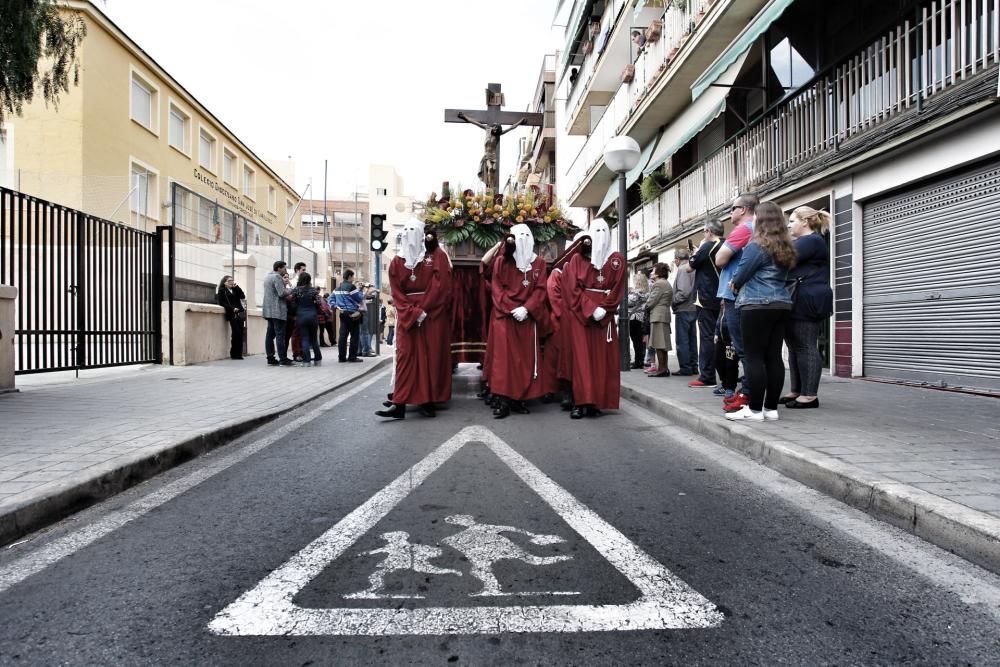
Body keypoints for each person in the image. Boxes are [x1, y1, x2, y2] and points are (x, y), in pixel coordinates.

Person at [725, 201, 796, 422]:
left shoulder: (756, 246)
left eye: (756, 216)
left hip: (756, 305)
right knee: (774, 357)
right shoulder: (786, 247)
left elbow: (741, 273)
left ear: (760, 219)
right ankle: (771, 409)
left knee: (754, 357)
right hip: (782, 304)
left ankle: (754, 409)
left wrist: (734, 283)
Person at [376, 219, 453, 420]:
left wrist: (424, 309)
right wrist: (412, 313)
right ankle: (399, 403)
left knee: (430, 357)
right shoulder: (396, 262)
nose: (410, 234)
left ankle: (428, 400)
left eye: (414, 231)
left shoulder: (435, 256)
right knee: (406, 358)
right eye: (406, 230)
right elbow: (397, 292)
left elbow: (440, 285)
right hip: (408, 316)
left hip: (431, 315)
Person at [479, 224, 549, 419]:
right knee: (504, 361)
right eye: (520, 236)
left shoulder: (540, 263)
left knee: (523, 360)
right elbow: (496, 288)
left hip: (527, 317)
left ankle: (520, 398)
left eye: (527, 235)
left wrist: (527, 308)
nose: (524, 239)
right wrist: (511, 309)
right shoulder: (502, 261)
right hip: (504, 317)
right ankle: (503, 400)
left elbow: (541, 289)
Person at [561, 219, 626, 419]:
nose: (600, 234)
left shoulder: (617, 260)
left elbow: (618, 289)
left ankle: (596, 401)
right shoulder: (577, 260)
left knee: (601, 361)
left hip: (604, 319)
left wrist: (605, 310)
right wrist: (590, 308)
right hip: (582, 316)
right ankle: (580, 402)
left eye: (603, 230)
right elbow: (572, 289)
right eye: (595, 230)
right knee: (582, 360)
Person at [782, 206, 833, 409]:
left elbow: (783, 259)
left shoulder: (811, 241)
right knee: (795, 346)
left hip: (807, 299)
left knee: (805, 345)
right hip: (799, 297)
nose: (789, 225)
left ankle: (810, 394)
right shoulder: (805, 242)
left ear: (805, 221)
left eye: (792, 221)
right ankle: (797, 390)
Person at [715, 192, 759, 411]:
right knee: (753, 348)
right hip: (748, 295)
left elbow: (720, 258)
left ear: (743, 209)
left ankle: (748, 394)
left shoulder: (743, 229)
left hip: (736, 295)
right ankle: (752, 393)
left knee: (743, 349)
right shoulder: (759, 230)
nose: (730, 212)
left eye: (733, 208)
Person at [687, 220, 725, 388]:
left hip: (706, 298)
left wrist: (699, 248)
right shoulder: (726, 244)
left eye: (704, 232)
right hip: (723, 297)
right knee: (723, 338)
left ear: (709, 231)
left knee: (707, 338)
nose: (703, 235)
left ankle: (707, 376)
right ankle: (726, 377)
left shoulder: (707, 245)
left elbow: (689, 267)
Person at [644, 263, 673, 377]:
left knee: (659, 343)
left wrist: (645, 306)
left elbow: (651, 301)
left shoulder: (659, 284)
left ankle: (662, 369)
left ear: (658, 273)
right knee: (662, 344)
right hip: (663, 315)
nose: (651, 273)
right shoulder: (665, 283)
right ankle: (664, 368)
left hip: (658, 316)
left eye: (653, 271)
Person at [262, 260, 293, 366]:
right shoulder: (277, 277)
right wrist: (292, 289)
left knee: (270, 335)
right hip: (277, 311)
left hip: (268, 311)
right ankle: (283, 359)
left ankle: (270, 358)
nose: (286, 270)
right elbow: (281, 293)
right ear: (279, 268)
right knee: (280, 335)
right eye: (284, 268)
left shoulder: (267, 276)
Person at [672, 249, 698, 375]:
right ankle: (693, 366)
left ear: (677, 259)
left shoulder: (683, 269)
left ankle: (686, 367)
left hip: (684, 308)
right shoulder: (694, 268)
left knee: (683, 340)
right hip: (693, 308)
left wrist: (673, 300)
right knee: (692, 339)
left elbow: (684, 292)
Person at [291, 271, 324, 366]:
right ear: (309, 280)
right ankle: (318, 360)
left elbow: (292, 302)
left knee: (304, 338)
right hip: (313, 316)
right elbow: (319, 303)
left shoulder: (296, 290)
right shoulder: (313, 290)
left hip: (301, 316)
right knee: (314, 339)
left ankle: (307, 361)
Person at [332, 269, 364, 363]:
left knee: (342, 336)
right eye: (353, 277)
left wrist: (336, 307)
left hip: (342, 313)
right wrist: (360, 291)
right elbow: (359, 299)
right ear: (350, 276)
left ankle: (341, 357)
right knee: (354, 335)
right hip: (353, 314)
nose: (353, 279)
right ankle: (352, 357)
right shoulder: (351, 287)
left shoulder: (337, 288)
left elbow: (331, 300)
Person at [216, 275, 246, 360]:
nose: (231, 282)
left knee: (240, 333)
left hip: (239, 313)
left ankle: (239, 354)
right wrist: (232, 309)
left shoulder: (235, 289)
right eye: (229, 281)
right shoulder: (222, 291)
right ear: (224, 282)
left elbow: (242, 296)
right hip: (232, 314)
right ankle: (234, 354)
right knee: (235, 333)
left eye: (232, 280)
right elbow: (222, 303)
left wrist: (237, 287)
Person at [627, 271, 649, 369]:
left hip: (634, 318)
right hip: (642, 318)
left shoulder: (636, 293)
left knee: (636, 340)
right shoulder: (647, 292)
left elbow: (627, 302)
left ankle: (638, 361)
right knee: (641, 341)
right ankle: (640, 360)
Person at [286, 261, 307, 361]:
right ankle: (297, 354)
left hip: (303, 311)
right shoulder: (293, 283)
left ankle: (302, 353)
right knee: (296, 334)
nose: (304, 272)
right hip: (296, 312)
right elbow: (290, 298)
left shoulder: (306, 282)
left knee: (302, 334)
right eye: (303, 270)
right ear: (297, 270)